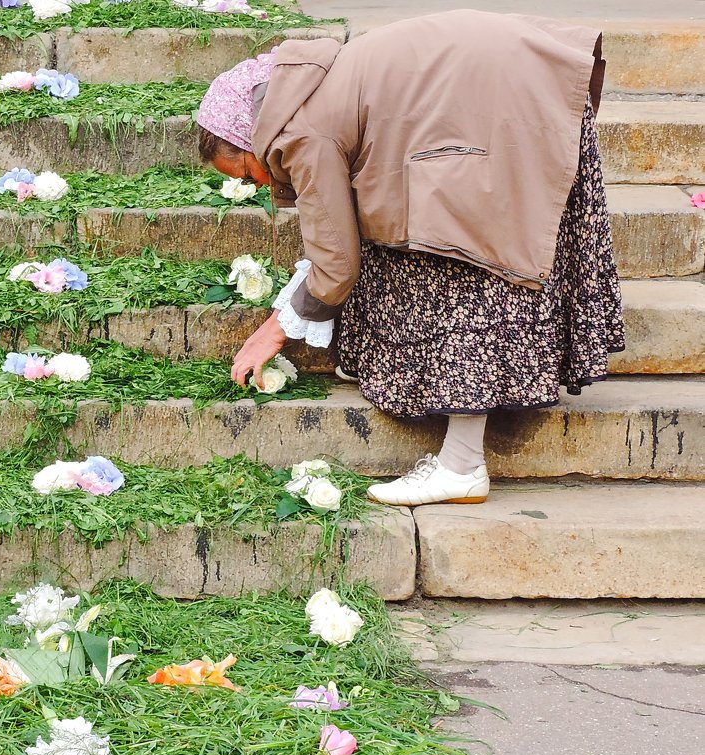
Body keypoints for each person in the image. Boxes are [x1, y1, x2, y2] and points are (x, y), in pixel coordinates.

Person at [198, 9, 624, 507]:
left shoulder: (301, 134)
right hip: (514, 85)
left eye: (248, 174)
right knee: (408, 235)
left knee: (466, 263)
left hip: (507, 107)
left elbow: (336, 264)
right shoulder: (305, 90)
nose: (262, 188)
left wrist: (275, 328)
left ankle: (462, 466)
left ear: (251, 137)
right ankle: (390, 372)